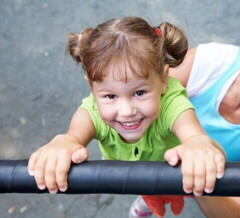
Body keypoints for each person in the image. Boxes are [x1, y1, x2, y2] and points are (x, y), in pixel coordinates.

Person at [27, 16, 226, 218]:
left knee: (194, 182)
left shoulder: (172, 103)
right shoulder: (92, 111)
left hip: (173, 173)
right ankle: (146, 201)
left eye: (139, 93)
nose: (126, 110)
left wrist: (197, 144)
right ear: (92, 89)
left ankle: (151, 200)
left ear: (164, 80)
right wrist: (64, 143)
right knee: (148, 192)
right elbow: (73, 136)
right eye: (110, 96)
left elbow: (193, 134)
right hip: (136, 173)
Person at [164, 31, 240, 217]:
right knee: (144, 188)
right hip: (147, 149)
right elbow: (144, 94)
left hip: (188, 181)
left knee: (157, 192)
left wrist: (200, 173)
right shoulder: (213, 61)